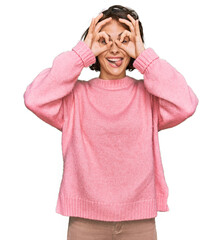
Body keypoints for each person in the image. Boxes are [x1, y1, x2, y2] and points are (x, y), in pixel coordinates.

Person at [23, 4, 199, 240]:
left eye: (124, 40)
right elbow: (34, 98)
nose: (114, 49)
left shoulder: (148, 97)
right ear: (93, 46)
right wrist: (80, 54)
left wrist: (146, 57)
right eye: (104, 41)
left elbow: (186, 103)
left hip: (140, 223)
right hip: (85, 223)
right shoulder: (75, 97)